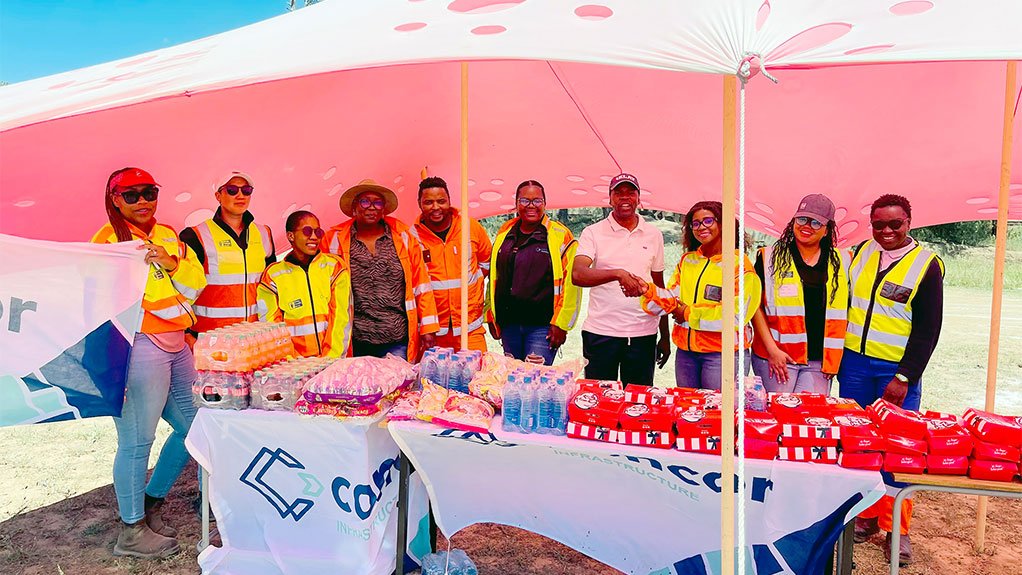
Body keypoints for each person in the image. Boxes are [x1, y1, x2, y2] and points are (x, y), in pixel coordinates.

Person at [91, 167, 207, 559]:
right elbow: (99, 305)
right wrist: (115, 364)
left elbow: (196, 283)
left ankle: (151, 500)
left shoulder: (168, 234)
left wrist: (172, 263)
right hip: (140, 345)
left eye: (150, 192)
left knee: (195, 429)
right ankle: (131, 531)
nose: (143, 201)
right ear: (115, 199)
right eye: (132, 194)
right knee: (138, 439)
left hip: (177, 343)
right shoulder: (107, 242)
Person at [841, 194, 944, 566]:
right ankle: (865, 518)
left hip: (895, 370)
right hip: (853, 364)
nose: (886, 231)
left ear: (909, 222)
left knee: (898, 451)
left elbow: (928, 330)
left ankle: (896, 530)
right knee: (859, 441)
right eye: (879, 224)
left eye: (894, 224)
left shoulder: (926, 265)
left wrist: (904, 376)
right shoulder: (860, 254)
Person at [638, 201, 761, 389]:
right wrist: (647, 291)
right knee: (689, 413)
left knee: (718, 415)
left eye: (708, 221)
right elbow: (672, 297)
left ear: (723, 224)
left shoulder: (740, 267)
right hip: (686, 354)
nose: (701, 227)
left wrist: (687, 313)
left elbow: (736, 316)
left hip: (722, 355)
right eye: (695, 224)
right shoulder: (688, 261)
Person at [321, 179, 437, 361]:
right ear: (354, 208)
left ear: (384, 210)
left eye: (377, 202)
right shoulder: (333, 240)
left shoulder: (403, 237)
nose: (371, 207)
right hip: (355, 338)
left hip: (396, 337)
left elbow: (421, 283)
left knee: (398, 387)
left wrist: (428, 328)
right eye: (365, 202)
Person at [572, 173, 671, 385]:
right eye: (618, 193)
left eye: (630, 192)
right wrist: (618, 274)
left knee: (637, 403)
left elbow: (659, 287)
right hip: (601, 333)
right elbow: (578, 274)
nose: (624, 198)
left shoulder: (654, 235)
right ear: (610, 199)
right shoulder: (593, 232)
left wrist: (665, 335)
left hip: (643, 334)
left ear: (638, 198)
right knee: (600, 404)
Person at [751, 194, 849, 393]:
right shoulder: (769, 257)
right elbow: (755, 306)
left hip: (818, 362)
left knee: (809, 417)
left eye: (816, 222)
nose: (807, 226)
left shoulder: (844, 260)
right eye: (802, 219)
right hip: (778, 357)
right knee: (777, 416)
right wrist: (772, 351)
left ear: (827, 229)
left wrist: (833, 358)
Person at [487, 180, 581, 365]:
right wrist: (491, 314)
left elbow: (572, 286)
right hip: (509, 324)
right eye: (524, 200)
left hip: (542, 327)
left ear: (545, 204)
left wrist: (561, 324)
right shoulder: (504, 232)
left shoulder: (560, 235)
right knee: (511, 381)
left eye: (537, 201)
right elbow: (495, 276)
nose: (531, 206)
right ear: (516, 203)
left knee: (534, 384)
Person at [179, 172, 275, 341]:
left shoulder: (263, 233)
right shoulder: (196, 235)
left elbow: (272, 285)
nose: (240, 195)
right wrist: (186, 332)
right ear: (218, 196)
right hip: (209, 339)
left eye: (246, 190)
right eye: (232, 190)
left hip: (256, 336)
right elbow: (182, 287)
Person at [257, 211, 352, 357]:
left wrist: (330, 359)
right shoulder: (273, 275)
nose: (314, 237)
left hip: (333, 363)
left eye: (318, 232)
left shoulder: (335, 267)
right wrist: (293, 362)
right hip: (294, 369)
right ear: (291, 236)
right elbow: (271, 327)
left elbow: (342, 319)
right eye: (307, 231)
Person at [414, 176, 493, 352]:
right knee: (432, 379)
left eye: (441, 201)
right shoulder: (412, 236)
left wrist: (473, 286)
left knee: (477, 377)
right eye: (428, 202)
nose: (436, 207)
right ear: (419, 203)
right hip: (432, 332)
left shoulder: (470, 226)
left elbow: (487, 262)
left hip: (469, 327)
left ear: (449, 201)